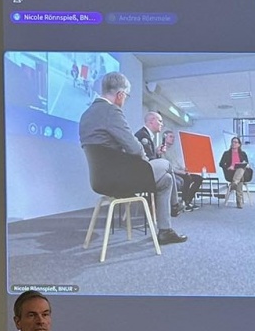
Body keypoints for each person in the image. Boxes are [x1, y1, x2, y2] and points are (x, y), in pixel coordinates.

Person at [79, 72, 187, 245]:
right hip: (119, 179)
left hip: (100, 181)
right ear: (120, 94)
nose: (125, 100)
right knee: (166, 164)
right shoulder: (112, 111)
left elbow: (109, 148)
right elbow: (135, 148)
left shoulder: (86, 115)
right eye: (126, 97)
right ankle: (176, 206)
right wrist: (145, 162)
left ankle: (165, 231)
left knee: (166, 180)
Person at [134, 111, 181, 215]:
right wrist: (156, 155)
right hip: (141, 175)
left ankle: (168, 215)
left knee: (167, 178)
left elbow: (147, 156)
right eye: (160, 121)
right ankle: (175, 204)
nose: (162, 124)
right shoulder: (143, 136)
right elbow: (148, 161)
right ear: (151, 121)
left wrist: (156, 152)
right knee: (167, 165)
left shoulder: (147, 136)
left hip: (145, 171)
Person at [162, 129, 204, 211]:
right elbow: (168, 166)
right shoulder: (162, 150)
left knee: (199, 178)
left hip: (179, 171)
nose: (173, 139)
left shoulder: (172, 150)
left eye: (173, 137)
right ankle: (184, 202)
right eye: (171, 137)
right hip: (172, 172)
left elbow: (176, 163)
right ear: (165, 137)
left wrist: (183, 168)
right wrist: (181, 172)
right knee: (187, 178)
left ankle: (188, 201)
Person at [219, 136, 254, 209]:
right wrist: (228, 167)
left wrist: (245, 164)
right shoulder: (226, 153)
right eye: (233, 142)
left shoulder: (243, 153)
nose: (234, 143)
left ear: (239, 144)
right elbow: (221, 164)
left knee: (240, 169)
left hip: (242, 172)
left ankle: (234, 183)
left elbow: (246, 163)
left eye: (235, 142)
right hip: (231, 173)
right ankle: (239, 202)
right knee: (240, 178)